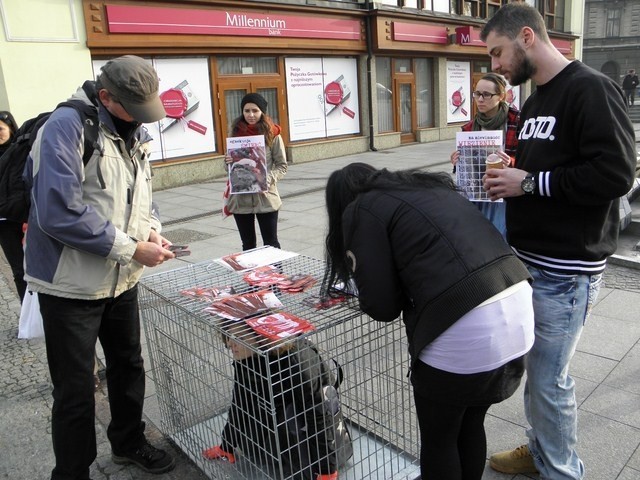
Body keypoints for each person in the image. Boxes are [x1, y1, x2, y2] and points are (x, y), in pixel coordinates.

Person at [480, 4, 637, 479]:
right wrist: (504, 163)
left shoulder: (590, 88)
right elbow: (541, 165)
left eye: (498, 52)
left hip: (566, 270)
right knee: (538, 374)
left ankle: (562, 470)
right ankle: (543, 448)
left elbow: (616, 173)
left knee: (550, 381)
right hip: (530, 262)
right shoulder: (533, 100)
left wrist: (527, 183)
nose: (495, 65)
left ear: (527, 37)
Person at [321, 163, 535, 480]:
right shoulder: (427, 186)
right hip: (517, 301)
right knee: (471, 421)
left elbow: (382, 306)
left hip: (466, 321)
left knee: (440, 439)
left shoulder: (361, 209)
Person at [24, 55, 179, 479]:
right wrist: (131, 248)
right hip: (70, 286)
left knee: (128, 365)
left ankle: (129, 443)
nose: (142, 119)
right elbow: (58, 212)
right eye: (134, 108)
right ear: (106, 96)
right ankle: (72, 472)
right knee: (76, 390)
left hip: (121, 280)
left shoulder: (135, 129)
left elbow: (142, 193)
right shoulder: (66, 127)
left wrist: (151, 230)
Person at [202, 320, 350, 480]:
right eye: (228, 336)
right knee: (257, 447)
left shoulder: (298, 362)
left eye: (238, 337)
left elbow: (320, 416)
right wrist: (227, 445)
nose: (230, 344)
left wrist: (327, 471)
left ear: (260, 337)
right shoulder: (246, 357)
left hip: (311, 415)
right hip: (280, 411)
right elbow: (241, 401)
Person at [450, 73, 518, 239]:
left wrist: (510, 161)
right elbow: (465, 167)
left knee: (499, 235)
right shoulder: (469, 127)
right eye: (477, 94)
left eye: (486, 95)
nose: (480, 99)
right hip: (477, 192)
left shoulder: (517, 121)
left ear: (501, 96)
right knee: (476, 234)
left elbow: (530, 158)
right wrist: (457, 161)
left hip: (503, 193)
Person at [225, 93, 287, 251]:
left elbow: (281, 165)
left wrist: (269, 178)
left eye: (255, 110)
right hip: (241, 200)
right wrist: (228, 163)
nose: (251, 115)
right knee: (248, 245)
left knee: (271, 243)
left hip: (266, 198)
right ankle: (252, 276)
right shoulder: (235, 135)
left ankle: (276, 275)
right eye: (246, 111)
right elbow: (230, 169)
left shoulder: (273, 136)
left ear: (262, 112)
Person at [0, 110, 27, 301]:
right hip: (4, 222)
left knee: (38, 268)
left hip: (26, 218)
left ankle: (45, 316)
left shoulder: (21, 151)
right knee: (19, 270)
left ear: (10, 128)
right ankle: (28, 322)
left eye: (0, 129)